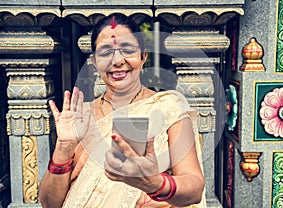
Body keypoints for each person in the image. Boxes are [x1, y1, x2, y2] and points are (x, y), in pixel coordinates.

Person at [39, 13, 206, 208]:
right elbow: (50, 204)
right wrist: (65, 146)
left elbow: (194, 189)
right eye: (105, 52)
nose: (117, 61)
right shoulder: (80, 116)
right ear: (94, 62)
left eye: (127, 50)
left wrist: (155, 185)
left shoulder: (167, 107)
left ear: (143, 56)